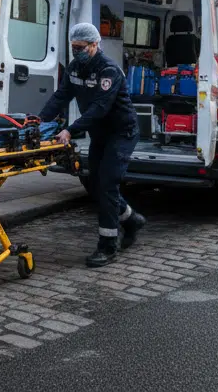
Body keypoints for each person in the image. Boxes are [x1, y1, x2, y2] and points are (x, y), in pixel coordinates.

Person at [39, 22, 145, 268]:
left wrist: (70, 130)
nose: (76, 51)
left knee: (107, 183)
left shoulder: (109, 70)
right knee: (94, 184)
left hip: (121, 133)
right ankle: (131, 220)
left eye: (81, 47)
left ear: (95, 45)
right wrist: (40, 121)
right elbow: (61, 96)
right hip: (100, 134)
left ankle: (107, 246)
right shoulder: (75, 67)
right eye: (73, 47)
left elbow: (100, 108)